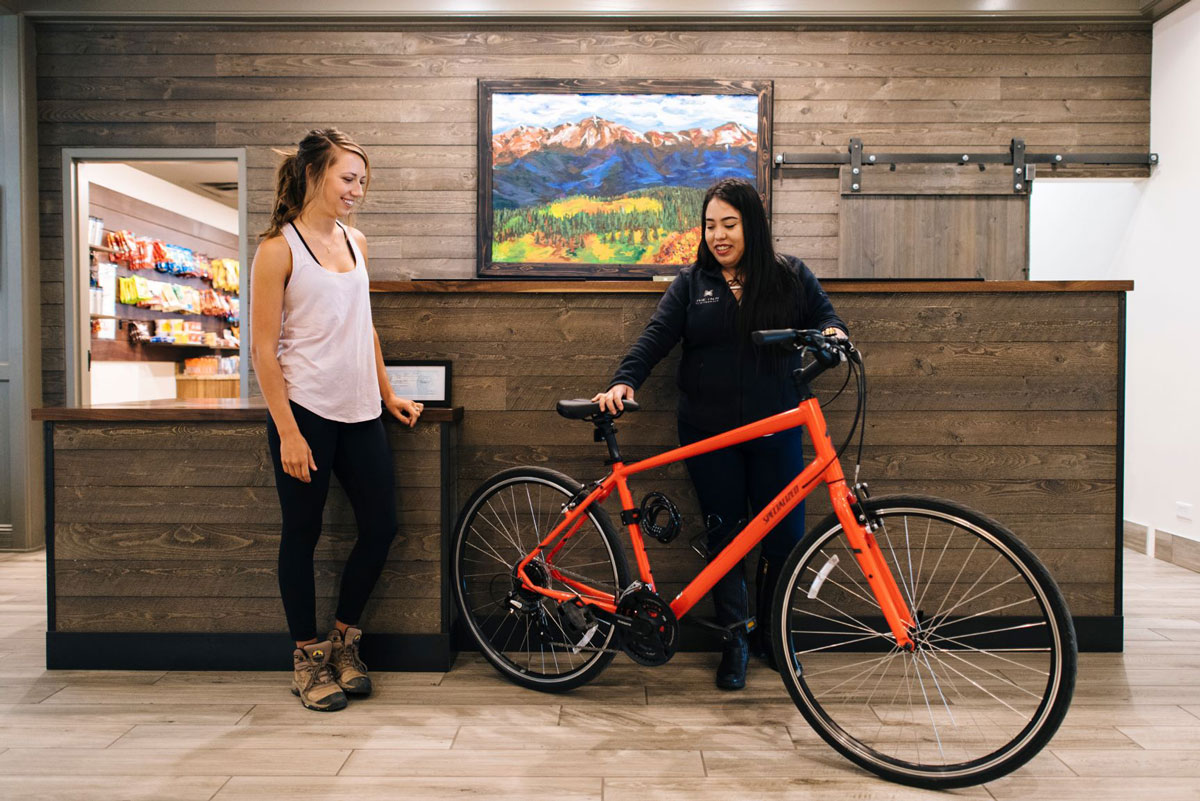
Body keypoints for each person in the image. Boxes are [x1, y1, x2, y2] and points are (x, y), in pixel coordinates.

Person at [593, 178, 847, 691]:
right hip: (709, 434)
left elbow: (827, 318)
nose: (718, 236)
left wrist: (835, 335)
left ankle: (776, 638)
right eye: (710, 226)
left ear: (751, 224)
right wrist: (624, 380)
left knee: (785, 537)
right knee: (726, 538)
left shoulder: (789, 276)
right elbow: (655, 338)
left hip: (776, 426)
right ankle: (735, 640)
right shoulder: (691, 284)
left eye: (729, 224)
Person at [251, 129, 424, 712]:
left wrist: (388, 392)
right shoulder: (278, 248)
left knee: (382, 526)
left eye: (361, 181)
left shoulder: (357, 242)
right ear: (313, 175)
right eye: (348, 178)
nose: (357, 189)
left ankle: (346, 642)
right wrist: (290, 432)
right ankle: (307, 658)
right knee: (302, 535)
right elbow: (262, 350)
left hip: (360, 410)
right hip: (304, 411)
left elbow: (364, 326)